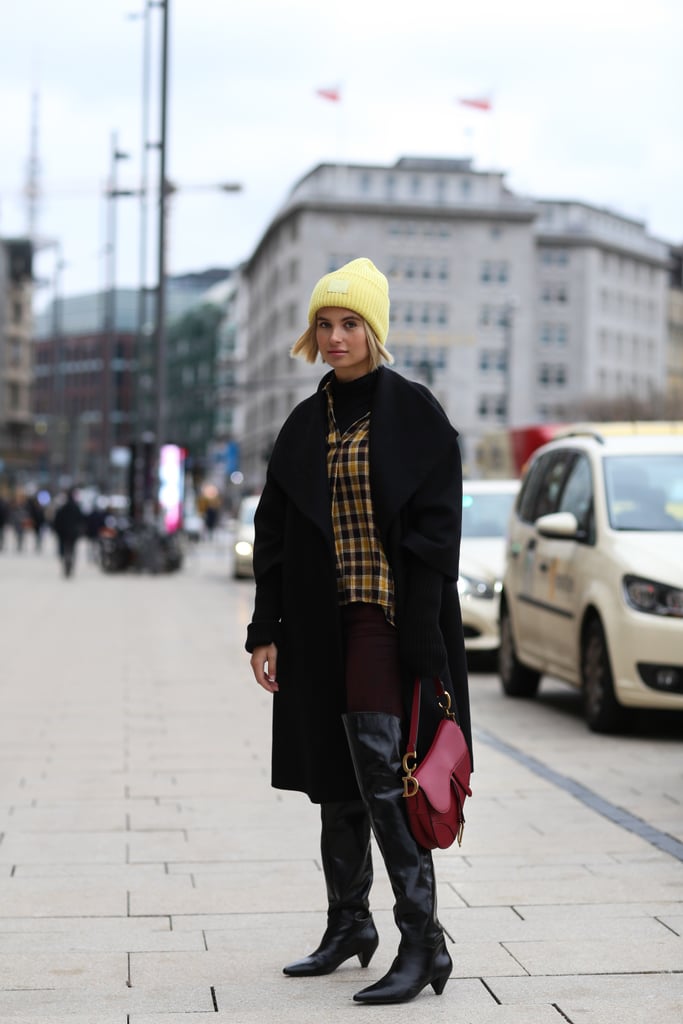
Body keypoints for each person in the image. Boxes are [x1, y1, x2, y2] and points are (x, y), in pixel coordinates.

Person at [246, 258, 472, 1005]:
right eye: (325, 324)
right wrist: (264, 629)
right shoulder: (304, 423)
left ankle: (423, 941)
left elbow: (437, 534)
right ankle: (349, 925)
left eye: (349, 324)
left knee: (383, 775)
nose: (335, 336)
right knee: (332, 784)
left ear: (374, 331)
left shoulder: (414, 414)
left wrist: (425, 637)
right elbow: (273, 532)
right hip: (317, 623)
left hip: (387, 618)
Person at [52, 488, 85, 578]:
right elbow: (81, 520)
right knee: (72, 550)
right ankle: (70, 565)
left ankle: (66, 565)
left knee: (64, 550)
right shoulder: (76, 508)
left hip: (63, 533)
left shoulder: (62, 508)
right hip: (73, 533)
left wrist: (57, 531)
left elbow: (56, 521)